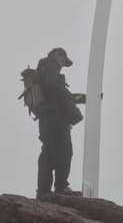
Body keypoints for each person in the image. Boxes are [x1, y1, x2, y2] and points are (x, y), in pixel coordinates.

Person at [35, 46, 86, 197]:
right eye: (64, 60)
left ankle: (45, 190)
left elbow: (57, 93)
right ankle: (60, 187)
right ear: (57, 55)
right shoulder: (51, 67)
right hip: (54, 119)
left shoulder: (44, 70)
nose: (64, 64)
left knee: (50, 152)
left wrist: (85, 98)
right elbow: (55, 89)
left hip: (48, 119)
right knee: (64, 151)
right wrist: (72, 111)